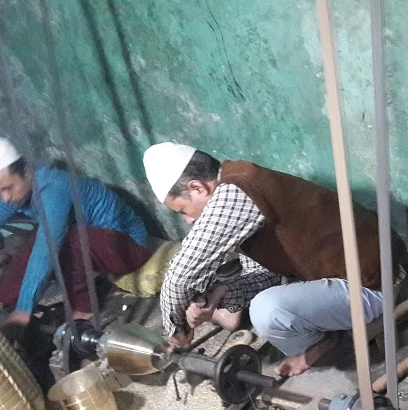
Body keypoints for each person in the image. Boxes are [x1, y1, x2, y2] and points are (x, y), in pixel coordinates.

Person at [144, 142, 394, 376]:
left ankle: (326, 343)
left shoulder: (235, 194)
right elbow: (265, 275)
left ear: (198, 188)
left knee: (266, 311)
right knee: (260, 300)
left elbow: (179, 278)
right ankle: (329, 335)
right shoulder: (240, 180)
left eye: (182, 211)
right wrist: (219, 295)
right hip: (354, 274)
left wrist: (177, 330)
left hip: (378, 284)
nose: (189, 220)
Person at [0, 138, 152, 336]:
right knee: (39, 235)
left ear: (27, 173)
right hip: (98, 242)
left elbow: (45, 250)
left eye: (7, 188)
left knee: (63, 240)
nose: (5, 198)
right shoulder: (19, 192)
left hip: (129, 246)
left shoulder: (55, 189)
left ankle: (85, 310)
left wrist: (24, 310)